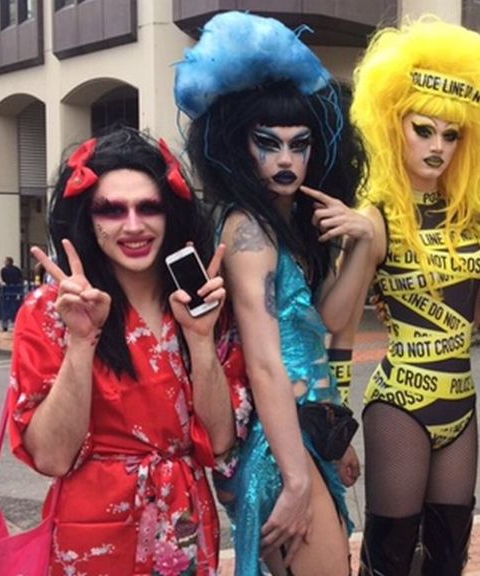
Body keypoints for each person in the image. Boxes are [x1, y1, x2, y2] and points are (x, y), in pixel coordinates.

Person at [176, 11, 371, 575]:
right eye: (269, 144)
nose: (286, 160)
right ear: (239, 146)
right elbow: (265, 362)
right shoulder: (248, 229)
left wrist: (361, 242)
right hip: (275, 444)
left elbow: (325, 323)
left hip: (302, 434)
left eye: (299, 145)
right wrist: (295, 478)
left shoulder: (288, 226)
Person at [8, 127, 237, 574]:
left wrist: (200, 339)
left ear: (170, 212)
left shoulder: (199, 304)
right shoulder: (50, 310)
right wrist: (81, 343)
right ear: (87, 220)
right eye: (111, 210)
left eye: (149, 207)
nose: (133, 226)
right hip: (94, 533)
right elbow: (52, 456)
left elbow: (221, 442)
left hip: (182, 525)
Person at [347, 18, 480, 575]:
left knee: (448, 552)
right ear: (394, 128)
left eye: (451, 134)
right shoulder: (376, 214)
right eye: (424, 130)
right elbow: (336, 325)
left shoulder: (470, 217)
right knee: (389, 554)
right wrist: (334, 425)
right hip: (400, 401)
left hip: (460, 398)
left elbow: (476, 315)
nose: (437, 146)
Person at [0, 255, 24, 329]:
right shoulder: (16, 269)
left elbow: (3, 278)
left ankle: (7, 318)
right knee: (14, 303)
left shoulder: (4, 270)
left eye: (5, 261)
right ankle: (14, 317)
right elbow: (20, 278)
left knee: (7, 304)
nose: (4, 262)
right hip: (15, 288)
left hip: (7, 289)